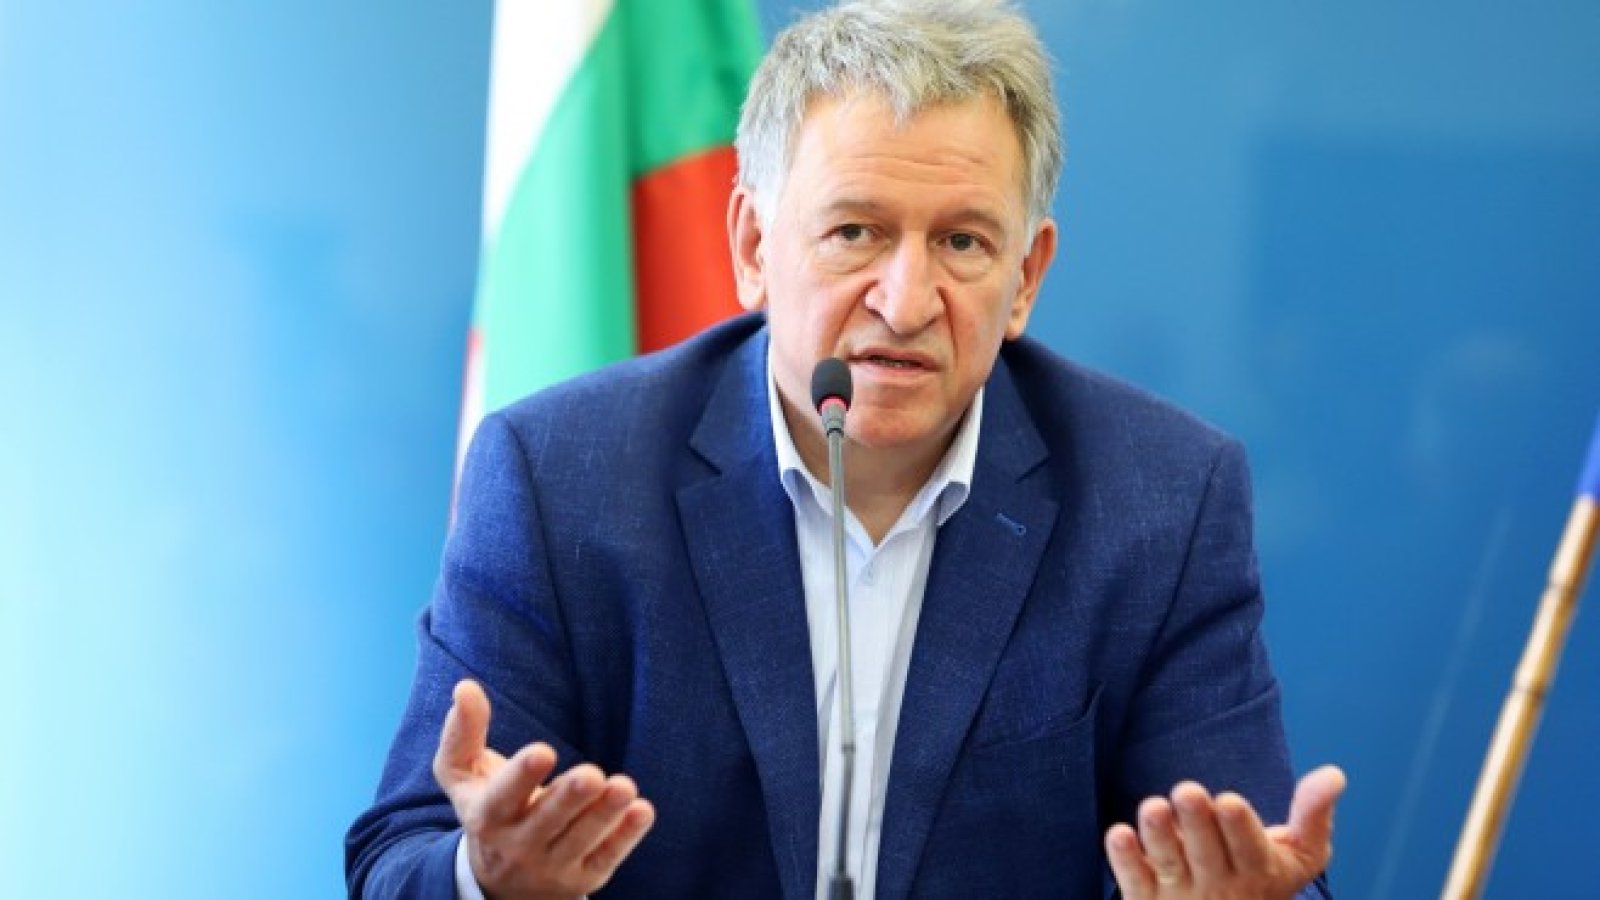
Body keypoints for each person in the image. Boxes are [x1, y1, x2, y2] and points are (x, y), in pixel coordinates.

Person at [346, 1, 1346, 897]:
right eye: (856, 232)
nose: (906, 303)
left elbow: (1244, 864)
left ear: (1027, 276)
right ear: (752, 247)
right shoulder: (558, 476)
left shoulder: (1162, 500)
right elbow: (400, 861)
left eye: (963, 242)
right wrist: (488, 880)